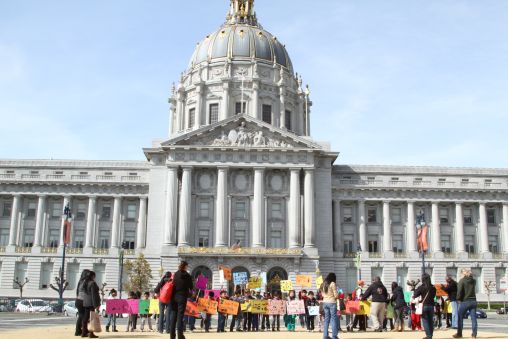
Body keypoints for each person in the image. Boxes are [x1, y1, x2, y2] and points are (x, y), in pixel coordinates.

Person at [169, 261, 193, 339]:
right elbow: (191, 287)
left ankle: (172, 336)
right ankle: (180, 336)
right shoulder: (188, 276)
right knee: (180, 317)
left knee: (173, 316)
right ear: (185, 266)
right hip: (182, 298)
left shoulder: (175, 274)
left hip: (173, 298)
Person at [453, 269, 478, 339]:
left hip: (465, 301)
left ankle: (459, 334)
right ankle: (474, 335)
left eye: (461, 273)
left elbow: (459, 291)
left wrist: (458, 299)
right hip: (473, 301)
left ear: (464, 274)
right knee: (474, 318)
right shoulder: (474, 281)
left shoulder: (462, 281)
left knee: (460, 317)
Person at [414, 273, 436, 339]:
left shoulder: (421, 287)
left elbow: (415, 295)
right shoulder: (433, 287)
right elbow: (433, 296)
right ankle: (431, 335)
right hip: (431, 305)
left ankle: (428, 336)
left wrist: (415, 289)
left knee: (425, 321)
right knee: (430, 321)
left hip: (424, 306)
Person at [81, 270, 101, 338]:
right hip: (91, 303)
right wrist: (96, 305)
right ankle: (91, 333)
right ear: (92, 276)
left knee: (85, 318)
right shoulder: (92, 283)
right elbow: (94, 295)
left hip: (86, 302)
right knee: (92, 318)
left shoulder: (85, 283)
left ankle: (84, 332)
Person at [320, 273, 338, 339]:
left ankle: (325, 336)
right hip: (332, 302)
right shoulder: (332, 284)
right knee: (333, 319)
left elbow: (322, 294)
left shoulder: (323, 284)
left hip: (325, 302)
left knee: (326, 319)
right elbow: (336, 295)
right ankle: (334, 336)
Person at [75, 269, 90, 337]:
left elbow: (77, 291)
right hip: (84, 300)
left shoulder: (80, 281)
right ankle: (83, 331)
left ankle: (78, 331)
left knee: (81, 316)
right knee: (85, 317)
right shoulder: (87, 281)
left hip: (78, 300)